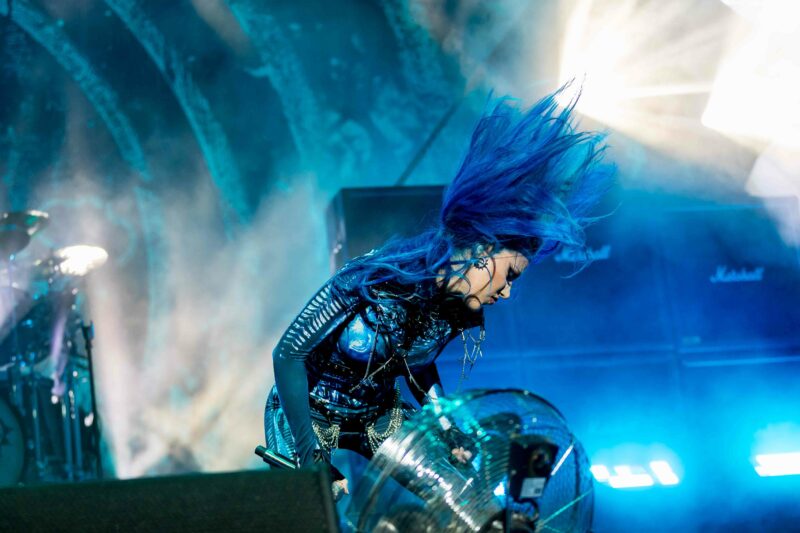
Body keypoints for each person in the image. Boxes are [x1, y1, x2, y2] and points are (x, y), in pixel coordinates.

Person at [264, 86, 614, 496]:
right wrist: (311, 457)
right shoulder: (373, 277)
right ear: (482, 251)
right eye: (509, 275)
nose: (505, 293)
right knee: (315, 502)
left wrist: (448, 428)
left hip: (377, 413)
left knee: (458, 495)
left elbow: (418, 366)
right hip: (307, 409)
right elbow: (288, 355)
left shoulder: (458, 309)